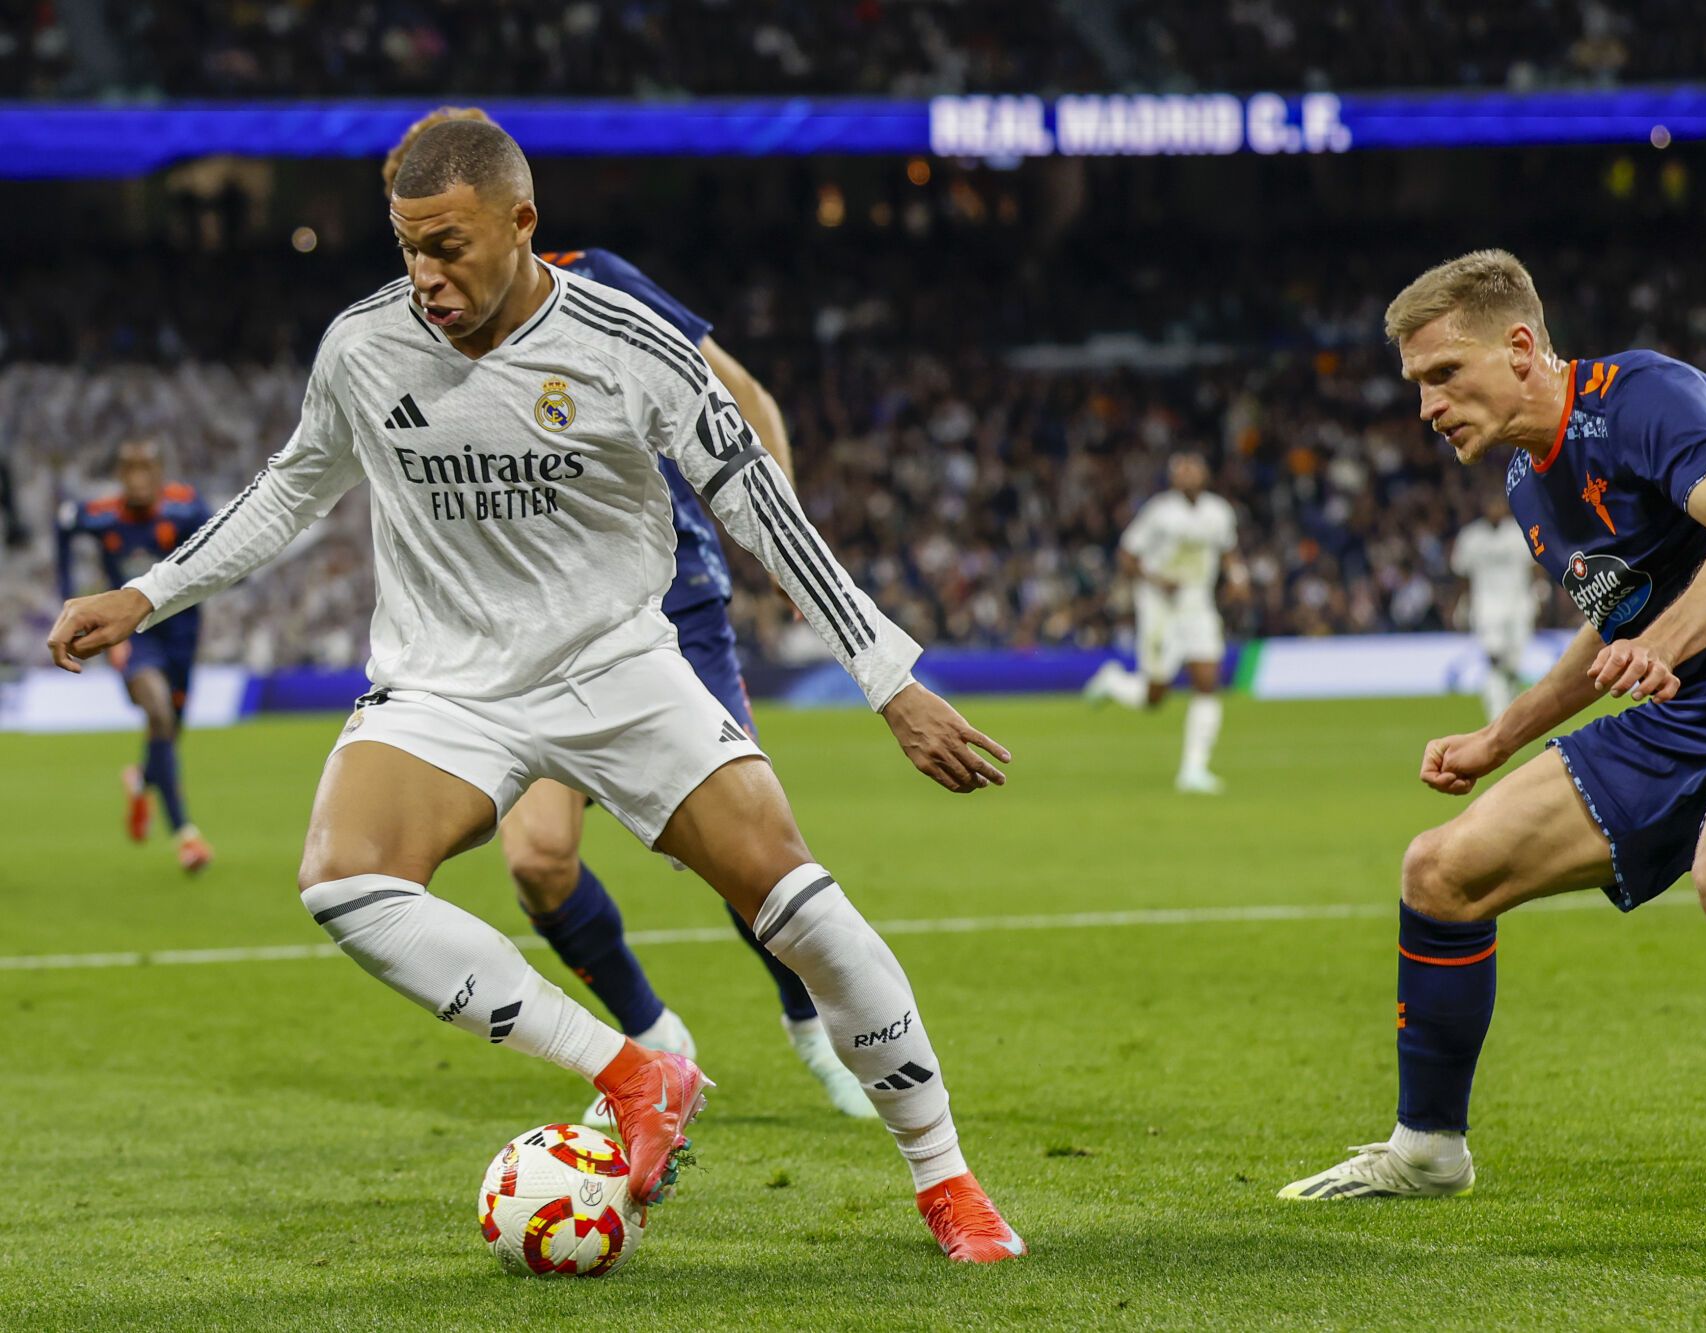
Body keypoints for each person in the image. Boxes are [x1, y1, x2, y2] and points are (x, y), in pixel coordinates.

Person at [49, 118, 1024, 1262]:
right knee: (342, 880)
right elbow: (287, 489)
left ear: (522, 224)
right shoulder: (363, 346)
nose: (426, 276)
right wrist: (146, 593)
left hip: (616, 667)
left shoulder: (627, 341)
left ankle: (944, 1178)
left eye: (449, 246)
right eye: (408, 247)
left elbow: (763, 508)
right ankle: (632, 1067)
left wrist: (889, 679)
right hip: (445, 681)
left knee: (799, 907)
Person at [1278, 250, 1706, 1247]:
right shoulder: (1528, 488)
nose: (1424, 404)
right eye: (1414, 384)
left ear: (1518, 348)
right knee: (1440, 870)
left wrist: (1661, 645)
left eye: (1442, 374)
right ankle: (1426, 1148)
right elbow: (1615, 621)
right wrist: (1497, 736)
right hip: (1693, 702)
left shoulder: (1642, 399)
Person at [378, 107, 874, 1124]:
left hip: (668, 606)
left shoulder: (596, 280)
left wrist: (778, 546)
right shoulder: (417, 329)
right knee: (536, 860)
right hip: (531, 633)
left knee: (741, 859)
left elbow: (739, 397)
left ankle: (811, 1029)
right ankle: (655, 1044)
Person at [54, 438, 214, 872]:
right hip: (130, 634)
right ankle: (186, 836)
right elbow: (64, 525)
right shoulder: (102, 514)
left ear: (161, 473)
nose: (139, 479)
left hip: (181, 631)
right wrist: (68, 594)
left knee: (170, 727)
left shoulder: (184, 507)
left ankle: (142, 779)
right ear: (120, 476)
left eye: (147, 470)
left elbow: (221, 539)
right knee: (158, 712)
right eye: (130, 471)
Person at [1082, 451, 1248, 793]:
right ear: (1173, 477)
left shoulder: (1218, 511)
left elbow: (1229, 550)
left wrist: (1238, 578)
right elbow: (1127, 555)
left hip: (1198, 604)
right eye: (1181, 470)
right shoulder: (1160, 512)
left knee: (1207, 681)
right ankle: (1113, 682)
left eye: (1193, 469)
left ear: (1204, 474)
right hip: (1160, 608)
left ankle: (1194, 769)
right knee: (1154, 696)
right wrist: (1157, 580)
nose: (1187, 475)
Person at [1451, 494, 1543, 723]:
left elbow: (1535, 566)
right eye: (1489, 504)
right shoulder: (1471, 537)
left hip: (1519, 605)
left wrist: (1540, 595)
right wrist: (1462, 605)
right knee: (1494, 657)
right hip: (1487, 607)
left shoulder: (1519, 533)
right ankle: (1497, 714)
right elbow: (1462, 575)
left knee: (1512, 664)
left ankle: (1509, 704)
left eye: (1497, 504)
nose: (1494, 509)